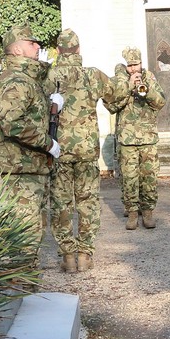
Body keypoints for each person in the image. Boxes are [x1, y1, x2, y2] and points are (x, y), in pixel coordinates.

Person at [47, 29, 116, 272]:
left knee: (61, 202)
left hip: (58, 150)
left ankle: (67, 256)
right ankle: (85, 254)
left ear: (58, 51)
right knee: (87, 201)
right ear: (78, 50)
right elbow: (116, 96)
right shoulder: (93, 76)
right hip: (86, 150)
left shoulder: (49, 76)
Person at [0, 24, 59, 252]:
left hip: (29, 167)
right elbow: (13, 123)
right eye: (32, 43)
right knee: (24, 237)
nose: (38, 46)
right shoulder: (17, 81)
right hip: (20, 170)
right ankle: (21, 285)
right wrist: (48, 143)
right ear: (17, 50)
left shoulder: (27, 79)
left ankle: (26, 283)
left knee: (32, 233)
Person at [108, 48, 165, 229]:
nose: (133, 69)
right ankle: (132, 213)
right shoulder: (119, 81)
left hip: (148, 139)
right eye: (130, 66)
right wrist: (128, 87)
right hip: (127, 139)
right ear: (126, 66)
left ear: (141, 63)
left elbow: (160, 102)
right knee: (129, 178)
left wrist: (146, 91)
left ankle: (147, 213)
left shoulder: (150, 78)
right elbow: (111, 105)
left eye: (136, 65)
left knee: (149, 177)